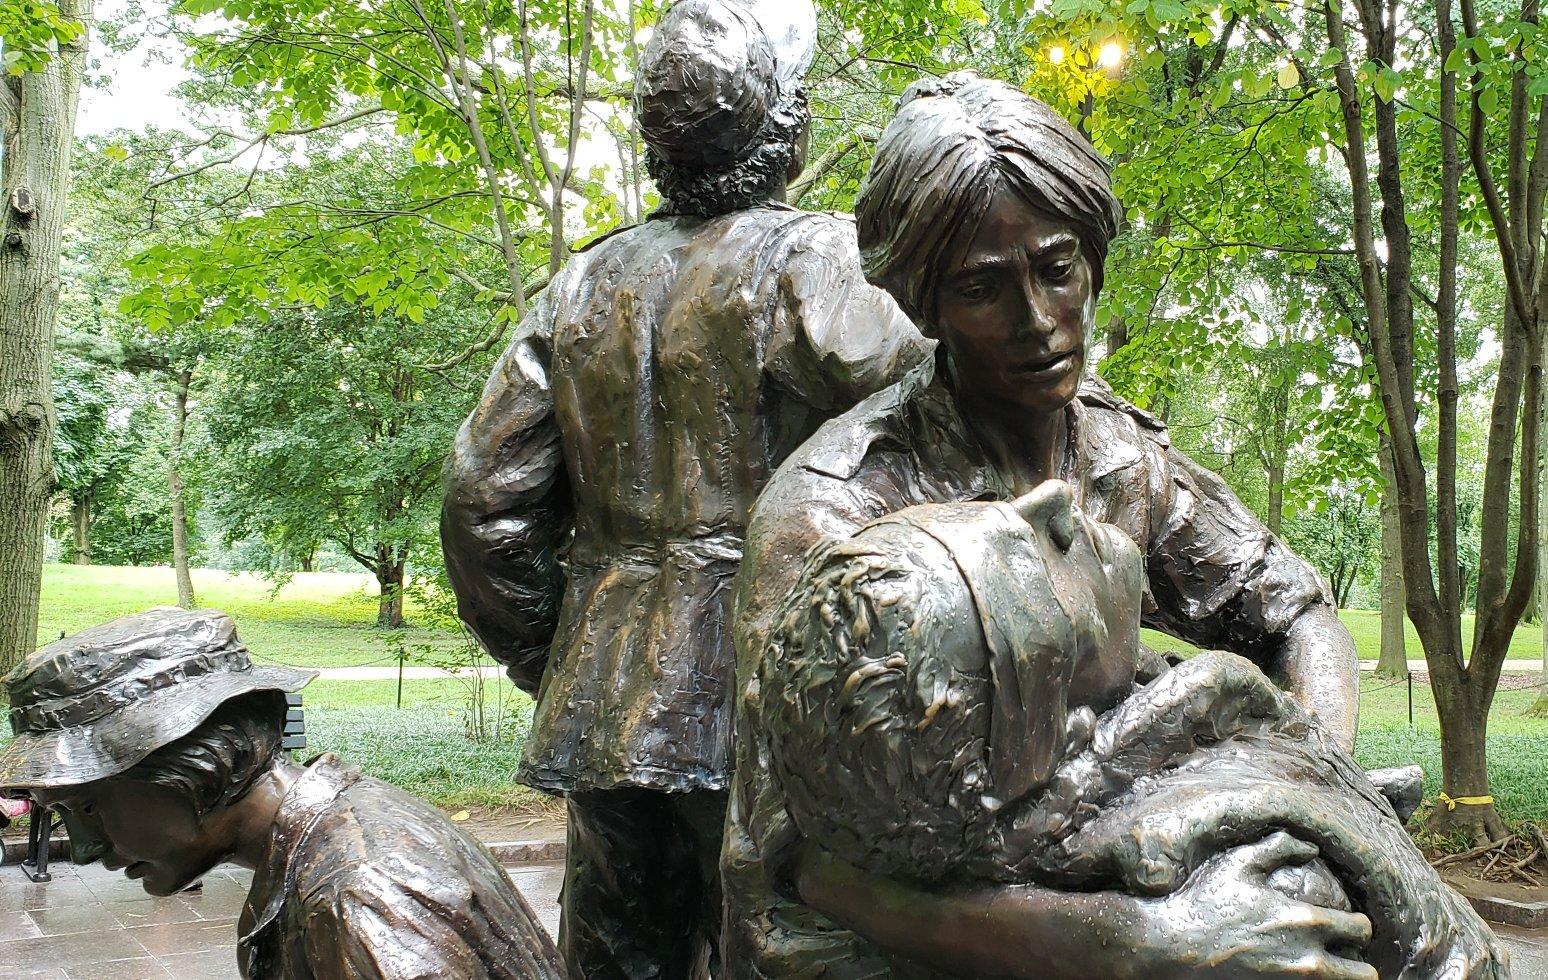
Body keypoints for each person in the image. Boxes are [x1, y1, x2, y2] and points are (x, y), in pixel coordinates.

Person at [721, 71, 1425, 978]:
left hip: (1113, 837)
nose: (1039, 320)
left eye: (1058, 270)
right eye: (983, 287)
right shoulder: (834, 506)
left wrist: (1310, 784)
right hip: (905, 937)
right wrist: (1132, 947)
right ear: (921, 300)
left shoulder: (1119, 452)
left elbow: (1295, 612)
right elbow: (801, 857)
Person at [440, 1, 929, 975]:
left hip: (604, 699)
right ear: (786, 128)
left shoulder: (580, 286)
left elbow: (478, 497)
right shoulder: (815, 260)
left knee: (619, 953)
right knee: (780, 944)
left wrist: (562, 650)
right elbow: (932, 420)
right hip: (764, 691)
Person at [0, 608, 564, 980]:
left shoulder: (360, 898)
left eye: (86, 807)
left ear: (193, 764)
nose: (85, 848)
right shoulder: (334, 837)